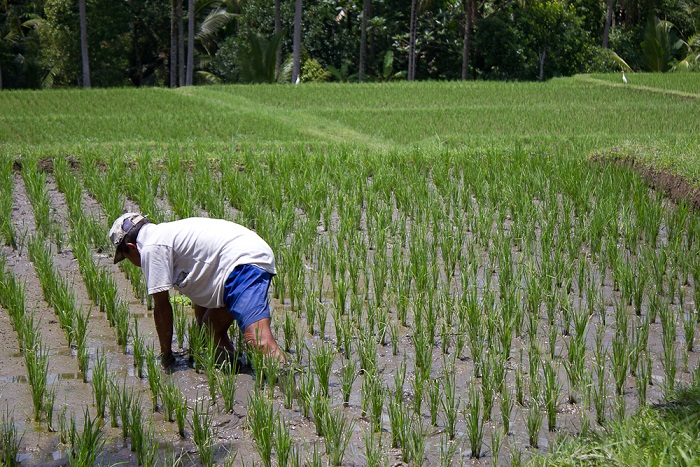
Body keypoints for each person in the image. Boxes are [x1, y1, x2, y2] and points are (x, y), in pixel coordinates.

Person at [109, 213, 284, 368]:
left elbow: (161, 307)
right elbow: (199, 290)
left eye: (126, 258)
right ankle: (235, 368)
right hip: (237, 259)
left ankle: (288, 385)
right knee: (209, 332)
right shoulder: (167, 237)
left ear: (131, 247)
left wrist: (167, 356)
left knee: (258, 341)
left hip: (244, 262)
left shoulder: (152, 248)